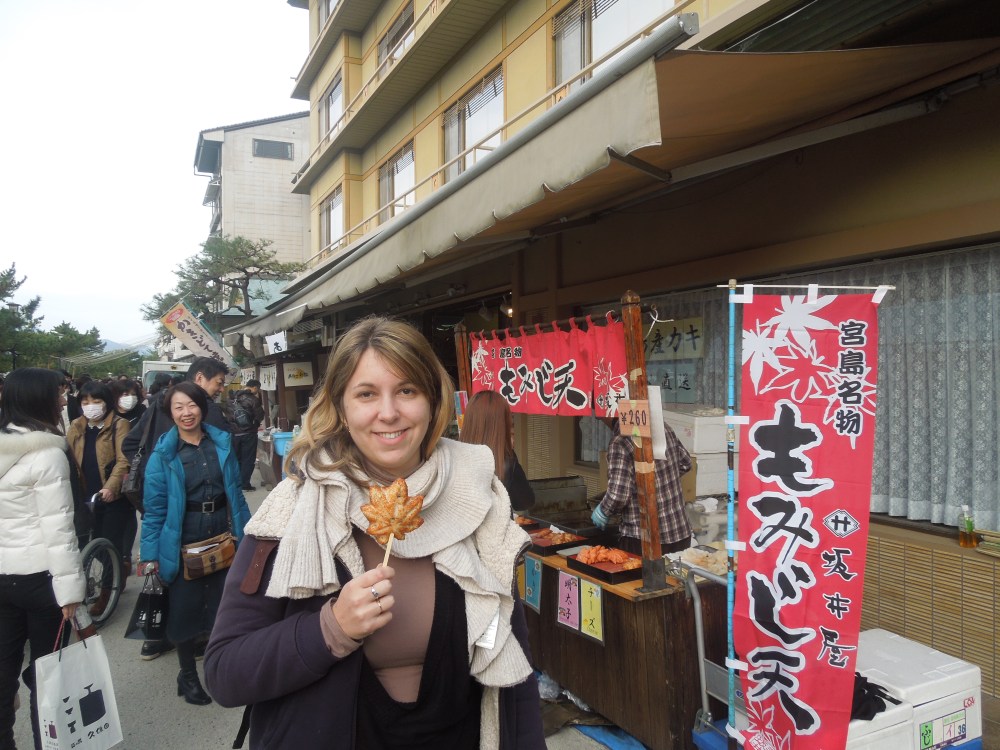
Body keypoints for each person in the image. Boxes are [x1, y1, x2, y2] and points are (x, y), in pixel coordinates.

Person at [204, 316, 545, 750]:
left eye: (407, 390)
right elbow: (225, 672)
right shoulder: (294, 509)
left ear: (432, 401)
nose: (389, 412)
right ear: (342, 408)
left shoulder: (478, 496)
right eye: (367, 394)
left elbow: (514, 662)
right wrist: (330, 629)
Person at [139, 381, 251, 706]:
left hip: (221, 537)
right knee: (184, 613)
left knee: (222, 610)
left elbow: (236, 495)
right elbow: (155, 511)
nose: (186, 413)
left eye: (192, 405)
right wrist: (150, 556)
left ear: (202, 406)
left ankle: (220, 671)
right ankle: (187, 674)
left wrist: (245, 533)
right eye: (178, 407)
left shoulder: (222, 443)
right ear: (170, 412)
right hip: (182, 540)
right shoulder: (163, 455)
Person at [123, 358, 232, 662]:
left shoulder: (163, 403)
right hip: (184, 509)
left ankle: (159, 638)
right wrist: (162, 474)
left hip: (173, 505)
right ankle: (193, 638)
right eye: (218, 382)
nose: (219, 388)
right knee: (190, 572)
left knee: (176, 571)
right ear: (201, 377)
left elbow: (131, 444)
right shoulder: (203, 410)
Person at [0, 368, 87, 750]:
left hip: (2, 577)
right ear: (40, 399)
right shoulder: (47, 453)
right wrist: (71, 593)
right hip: (40, 580)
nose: (63, 400)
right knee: (47, 676)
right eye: (58, 394)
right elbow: (59, 529)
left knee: (2, 673)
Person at [65, 380, 131, 615]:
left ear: (106, 402)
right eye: (85, 402)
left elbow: (124, 460)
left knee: (107, 544)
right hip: (83, 495)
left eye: (96, 401)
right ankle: (113, 572)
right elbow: (67, 458)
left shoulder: (119, 425)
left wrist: (111, 487)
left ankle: (106, 593)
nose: (90, 406)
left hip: (110, 497)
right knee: (82, 545)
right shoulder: (76, 426)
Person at [591, 416, 694, 555]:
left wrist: (603, 511)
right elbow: (685, 463)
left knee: (639, 577)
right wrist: (661, 482)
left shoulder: (620, 441)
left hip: (643, 539)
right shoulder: (663, 427)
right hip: (680, 533)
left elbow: (618, 496)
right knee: (674, 576)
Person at [460, 390, 535, 512]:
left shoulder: (453, 458)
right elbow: (524, 502)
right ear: (501, 426)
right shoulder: (506, 462)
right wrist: (510, 453)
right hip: (498, 530)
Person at [226, 378, 265, 491]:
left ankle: (236, 483)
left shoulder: (231, 398)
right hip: (249, 433)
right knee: (248, 459)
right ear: (255, 387)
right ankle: (245, 484)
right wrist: (255, 424)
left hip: (234, 434)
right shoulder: (253, 399)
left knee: (237, 458)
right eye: (257, 389)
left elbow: (228, 416)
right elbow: (259, 415)